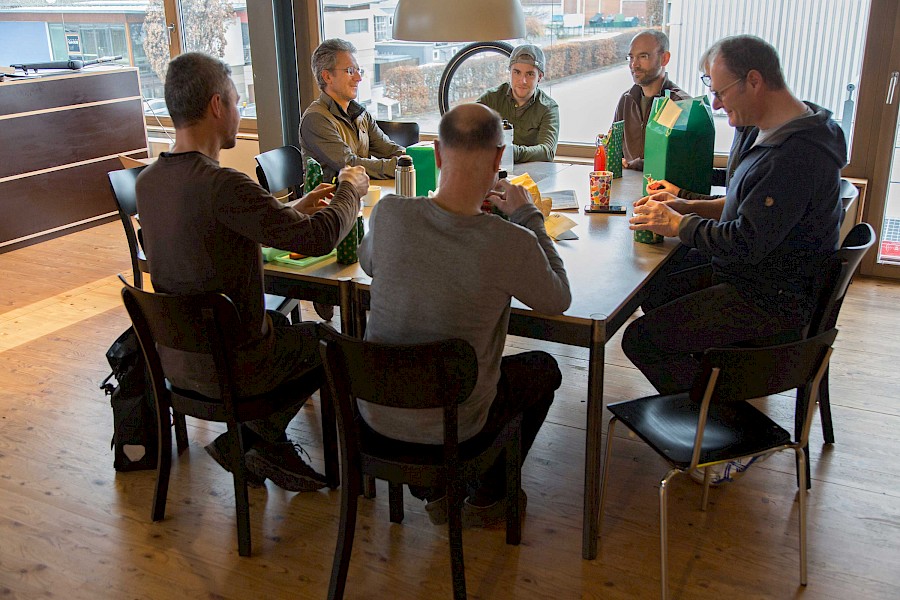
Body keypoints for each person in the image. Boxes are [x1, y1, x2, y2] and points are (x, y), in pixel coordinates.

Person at [136, 52, 370, 492]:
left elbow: (209, 234)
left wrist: (291, 209)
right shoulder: (223, 185)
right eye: (237, 101)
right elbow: (319, 239)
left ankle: (251, 442)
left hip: (179, 360)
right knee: (329, 343)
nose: (239, 111)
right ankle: (257, 439)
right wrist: (349, 191)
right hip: (235, 364)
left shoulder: (149, 183)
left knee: (283, 326)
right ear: (216, 105)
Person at [358, 103, 571, 526]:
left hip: (376, 415)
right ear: (499, 158)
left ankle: (433, 488)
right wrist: (528, 216)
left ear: (437, 154)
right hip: (455, 428)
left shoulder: (388, 214)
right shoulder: (509, 241)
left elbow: (368, 264)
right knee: (542, 369)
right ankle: (488, 496)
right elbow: (558, 297)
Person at [624, 35, 846, 432]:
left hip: (771, 297)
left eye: (720, 91)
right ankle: (715, 382)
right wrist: (686, 204)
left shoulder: (797, 156)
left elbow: (745, 241)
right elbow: (741, 204)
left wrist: (678, 225)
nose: (715, 103)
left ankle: (717, 424)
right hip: (756, 276)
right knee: (655, 289)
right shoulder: (766, 128)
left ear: (754, 81)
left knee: (641, 339)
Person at [300, 38, 405, 183]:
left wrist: (413, 158)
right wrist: (402, 166)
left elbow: (389, 149)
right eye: (350, 71)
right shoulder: (316, 119)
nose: (358, 78)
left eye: (358, 70)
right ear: (327, 77)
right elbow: (350, 164)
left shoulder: (360, 114)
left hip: (360, 193)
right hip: (333, 196)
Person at [614, 30, 691, 171]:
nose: (634, 65)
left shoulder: (680, 104)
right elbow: (613, 149)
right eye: (631, 57)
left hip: (662, 185)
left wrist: (636, 165)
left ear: (664, 59)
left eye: (643, 57)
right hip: (627, 183)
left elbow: (681, 163)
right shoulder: (626, 100)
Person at [477, 44, 560, 163]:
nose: (523, 81)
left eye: (530, 74)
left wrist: (509, 152)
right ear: (510, 72)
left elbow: (547, 152)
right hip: (492, 170)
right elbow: (465, 130)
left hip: (532, 173)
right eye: (517, 72)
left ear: (539, 77)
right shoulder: (490, 99)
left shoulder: (548, 108)